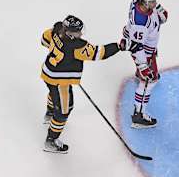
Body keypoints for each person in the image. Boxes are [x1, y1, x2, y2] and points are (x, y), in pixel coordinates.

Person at [41, 15, 140, 153]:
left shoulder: (56, 29)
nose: (81, 34)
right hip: (60, 81)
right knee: (64, 110)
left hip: (47, 73)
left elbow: (44, 40)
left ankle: (50, 113)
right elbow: (100, 53)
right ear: (70, 33)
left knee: (53, 93)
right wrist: (119, 46)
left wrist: (61, 54)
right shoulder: (77, 47)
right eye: (78, 32)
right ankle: (51, 141)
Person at [122, 0, 169, 128]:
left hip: (144, 44)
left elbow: (160, 14)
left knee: (147, 74)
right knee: (150, 81)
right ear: (145, 3)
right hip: (144, 52)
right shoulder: (140, 23)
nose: (155, 4)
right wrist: (143, 67)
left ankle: (139, 74)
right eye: (152, 1)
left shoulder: (139, 0)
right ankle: (139, 115)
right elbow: (137, 48)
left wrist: (159, 11)